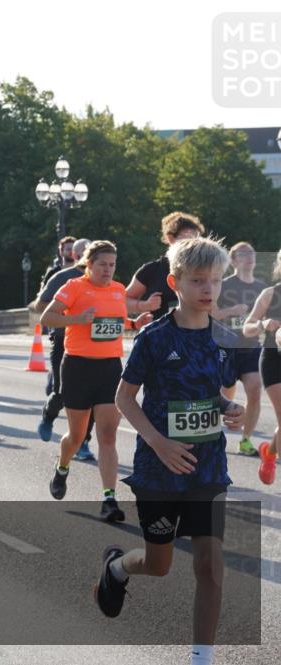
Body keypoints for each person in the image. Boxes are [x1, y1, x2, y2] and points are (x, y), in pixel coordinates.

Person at [101, 238, 245, 665]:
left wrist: (229, 408)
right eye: (198, 280)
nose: (208, 288)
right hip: (159, 468)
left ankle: (201, 657)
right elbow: (124, 398)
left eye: (215, 280)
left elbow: (210, 393)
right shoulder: (154, 337)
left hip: (208, 468)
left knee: (210, 565)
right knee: (158, 564)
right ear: (174, 282)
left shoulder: (224, 339)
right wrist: (158, 442)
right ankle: (117, 568)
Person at [40, 241, 153, 521]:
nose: (107, 270)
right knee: (77, 436)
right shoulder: (74, 287)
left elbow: (115, 321)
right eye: (102, 264)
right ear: (89, 264)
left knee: (108, 435)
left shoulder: (118, 289)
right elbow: (47, 317)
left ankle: (109, 499)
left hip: (110, 369)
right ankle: (62, 466)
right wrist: (78, 318)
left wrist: (134, 324)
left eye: (112, 265)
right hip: (78, 368)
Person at [31, 238, 121, 461]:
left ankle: (83, 442)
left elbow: (116, 314)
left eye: (111, 264)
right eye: (77, 252)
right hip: (64, 343)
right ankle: (49, 416)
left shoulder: (113, 287)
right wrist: (74, 315)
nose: (107, 269)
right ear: (83, 259)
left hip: (102, 357)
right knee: (60, 393)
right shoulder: (63, 278)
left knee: (95, 406)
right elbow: (41, 306)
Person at [215, 242, 266, 457]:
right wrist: (231, 311)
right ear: (233, 261)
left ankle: (245, 440)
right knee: (224, 397)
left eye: (251, 253)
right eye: (243, 254)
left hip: (251, 347)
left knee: (255, 389)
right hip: (226, 348)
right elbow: (211, 314)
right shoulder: (223, 285)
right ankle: (215, 436)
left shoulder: (261, 288)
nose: (249, 257)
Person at [242, 249, 281, 484]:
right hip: (274, 360)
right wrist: (263, 324)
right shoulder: (270, 294)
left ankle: (270, 452)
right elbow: (247, 328)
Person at [126, 212, 204, 321]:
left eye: (196, 241)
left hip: (193, 330)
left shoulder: (202, 270)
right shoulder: (152, 270)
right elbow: (122, 300)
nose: (192, 245)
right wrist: (144, 305)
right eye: (187, 240)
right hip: (158, 331)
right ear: (170, 238)